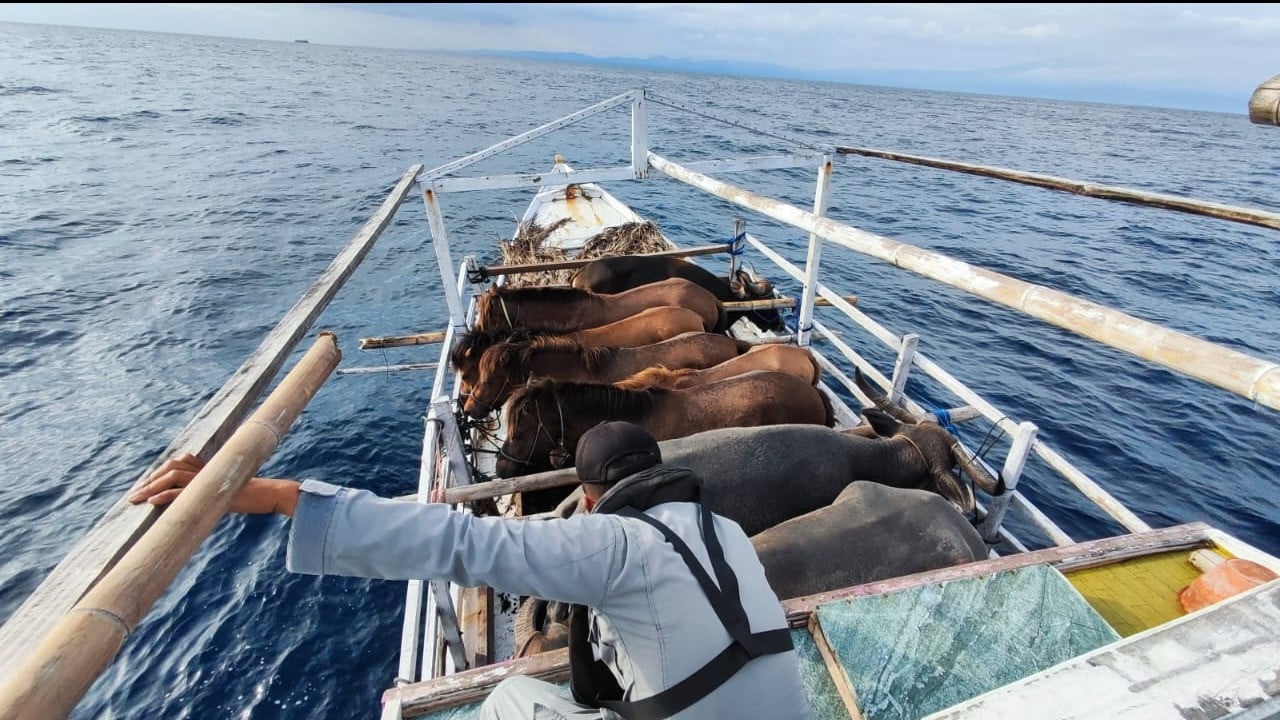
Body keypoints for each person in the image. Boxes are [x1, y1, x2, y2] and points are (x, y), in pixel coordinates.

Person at [130, 421, 811, 720]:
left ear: (594, 498)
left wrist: (281, 498)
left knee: (513, 701)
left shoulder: (611, 543)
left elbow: (463, 541)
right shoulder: (725, 532)